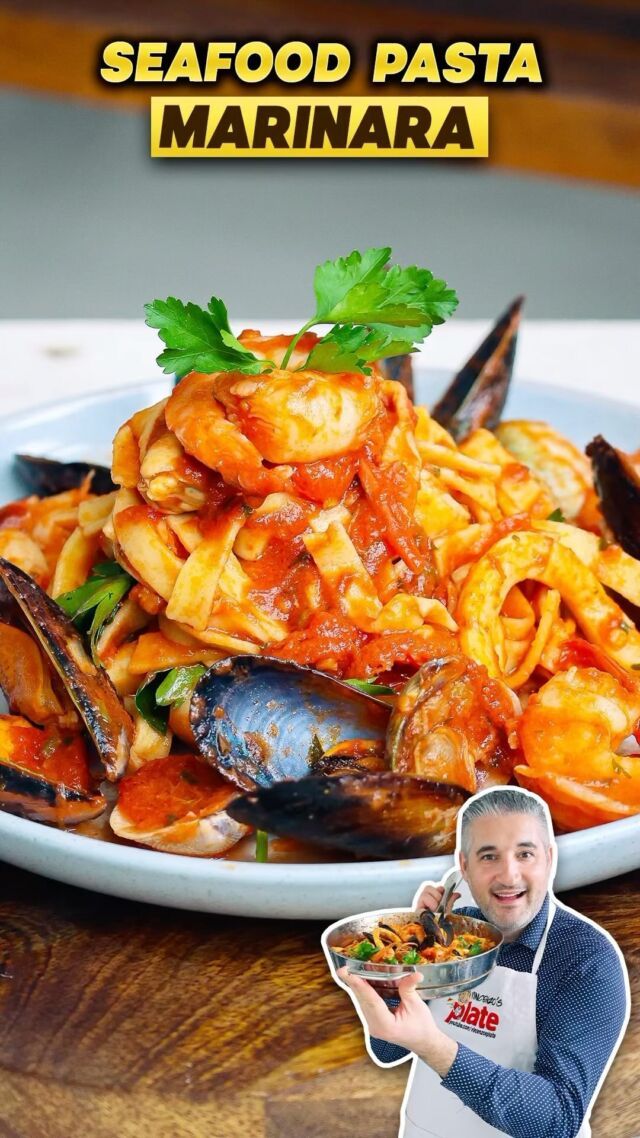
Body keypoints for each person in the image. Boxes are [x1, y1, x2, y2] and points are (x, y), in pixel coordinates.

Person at [332, 787, 629, 1138]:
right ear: (464, 866)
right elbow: (388, 1049)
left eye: (525, 854)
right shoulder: (453, 939)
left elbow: (558, 1120)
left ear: (550, 859)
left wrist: (436, 1049)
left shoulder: (586, 960)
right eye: (489, 857)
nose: (509, 876)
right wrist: (410, 949)